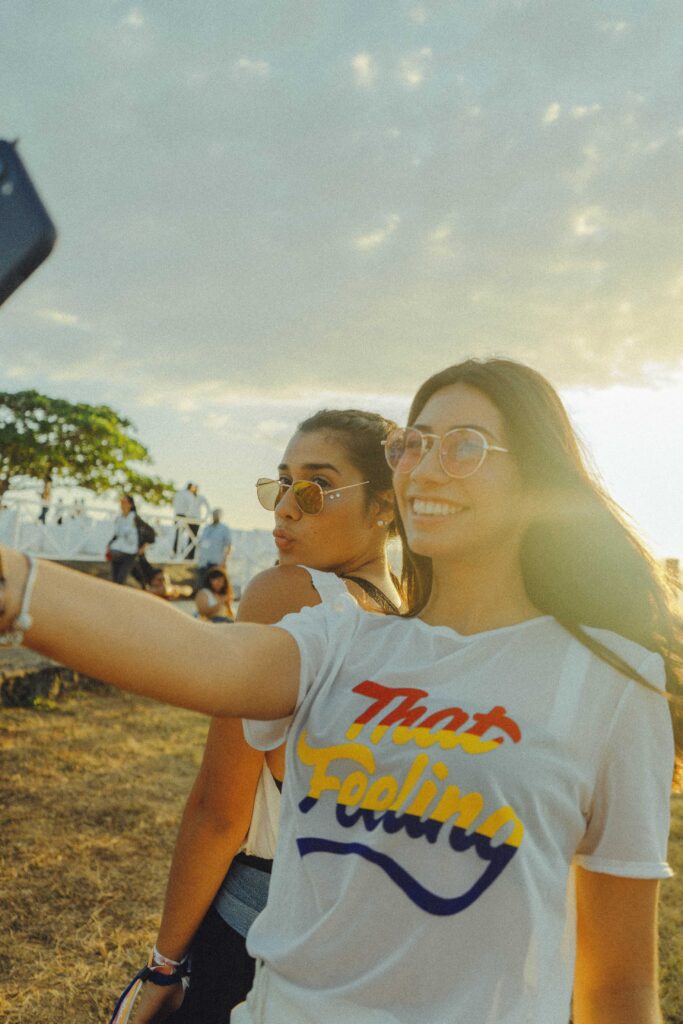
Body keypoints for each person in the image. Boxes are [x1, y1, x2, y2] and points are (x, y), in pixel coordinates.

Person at [0, 358, 680, 1024]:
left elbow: (617, 986)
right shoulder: (344, 640)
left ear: (537, 479)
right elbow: (201, 654)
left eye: (464, 446)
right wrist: (14, 584)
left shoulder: (610, 681)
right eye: (410, 445)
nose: (422, 466)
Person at [127, 409, 402, 1024]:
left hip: (256, 926)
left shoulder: (286, 593)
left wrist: (164, 964)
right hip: (351, 937)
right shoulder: (406, 613)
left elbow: (220, 811)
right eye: (281, 484)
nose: (284, 507)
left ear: (384, 505)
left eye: (314, 488)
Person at [106, 494, 142, 585]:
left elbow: (149, 533)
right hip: (117, 551)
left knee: (120, 579)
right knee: (115, 580)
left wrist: (143, 547)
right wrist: (109, 545)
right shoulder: (119, 518)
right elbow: (116, 535)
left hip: (130, 553)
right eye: (121, 502)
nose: (122, 504)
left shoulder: (135, 518)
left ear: (131, 504)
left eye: (125, 502)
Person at [195, 508, 233, 591]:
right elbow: (201, 543)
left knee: (215, 586)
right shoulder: (206, 528)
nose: (215, 517)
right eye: (214, 515)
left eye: (217, 515)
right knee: (203, 584)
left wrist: (225, 560)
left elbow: (229, 545)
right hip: (204, 562)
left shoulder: (224, 529)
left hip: (217, 561)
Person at [172, 483, 195, 556]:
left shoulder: (178, 493)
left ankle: (175, 551)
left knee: (177, 534)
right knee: (188, 534)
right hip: (185, 516)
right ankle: (180, 552)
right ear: (191, 487)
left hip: (177, 515)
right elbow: (191, 507)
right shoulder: (189, 495)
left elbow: (174, 502)